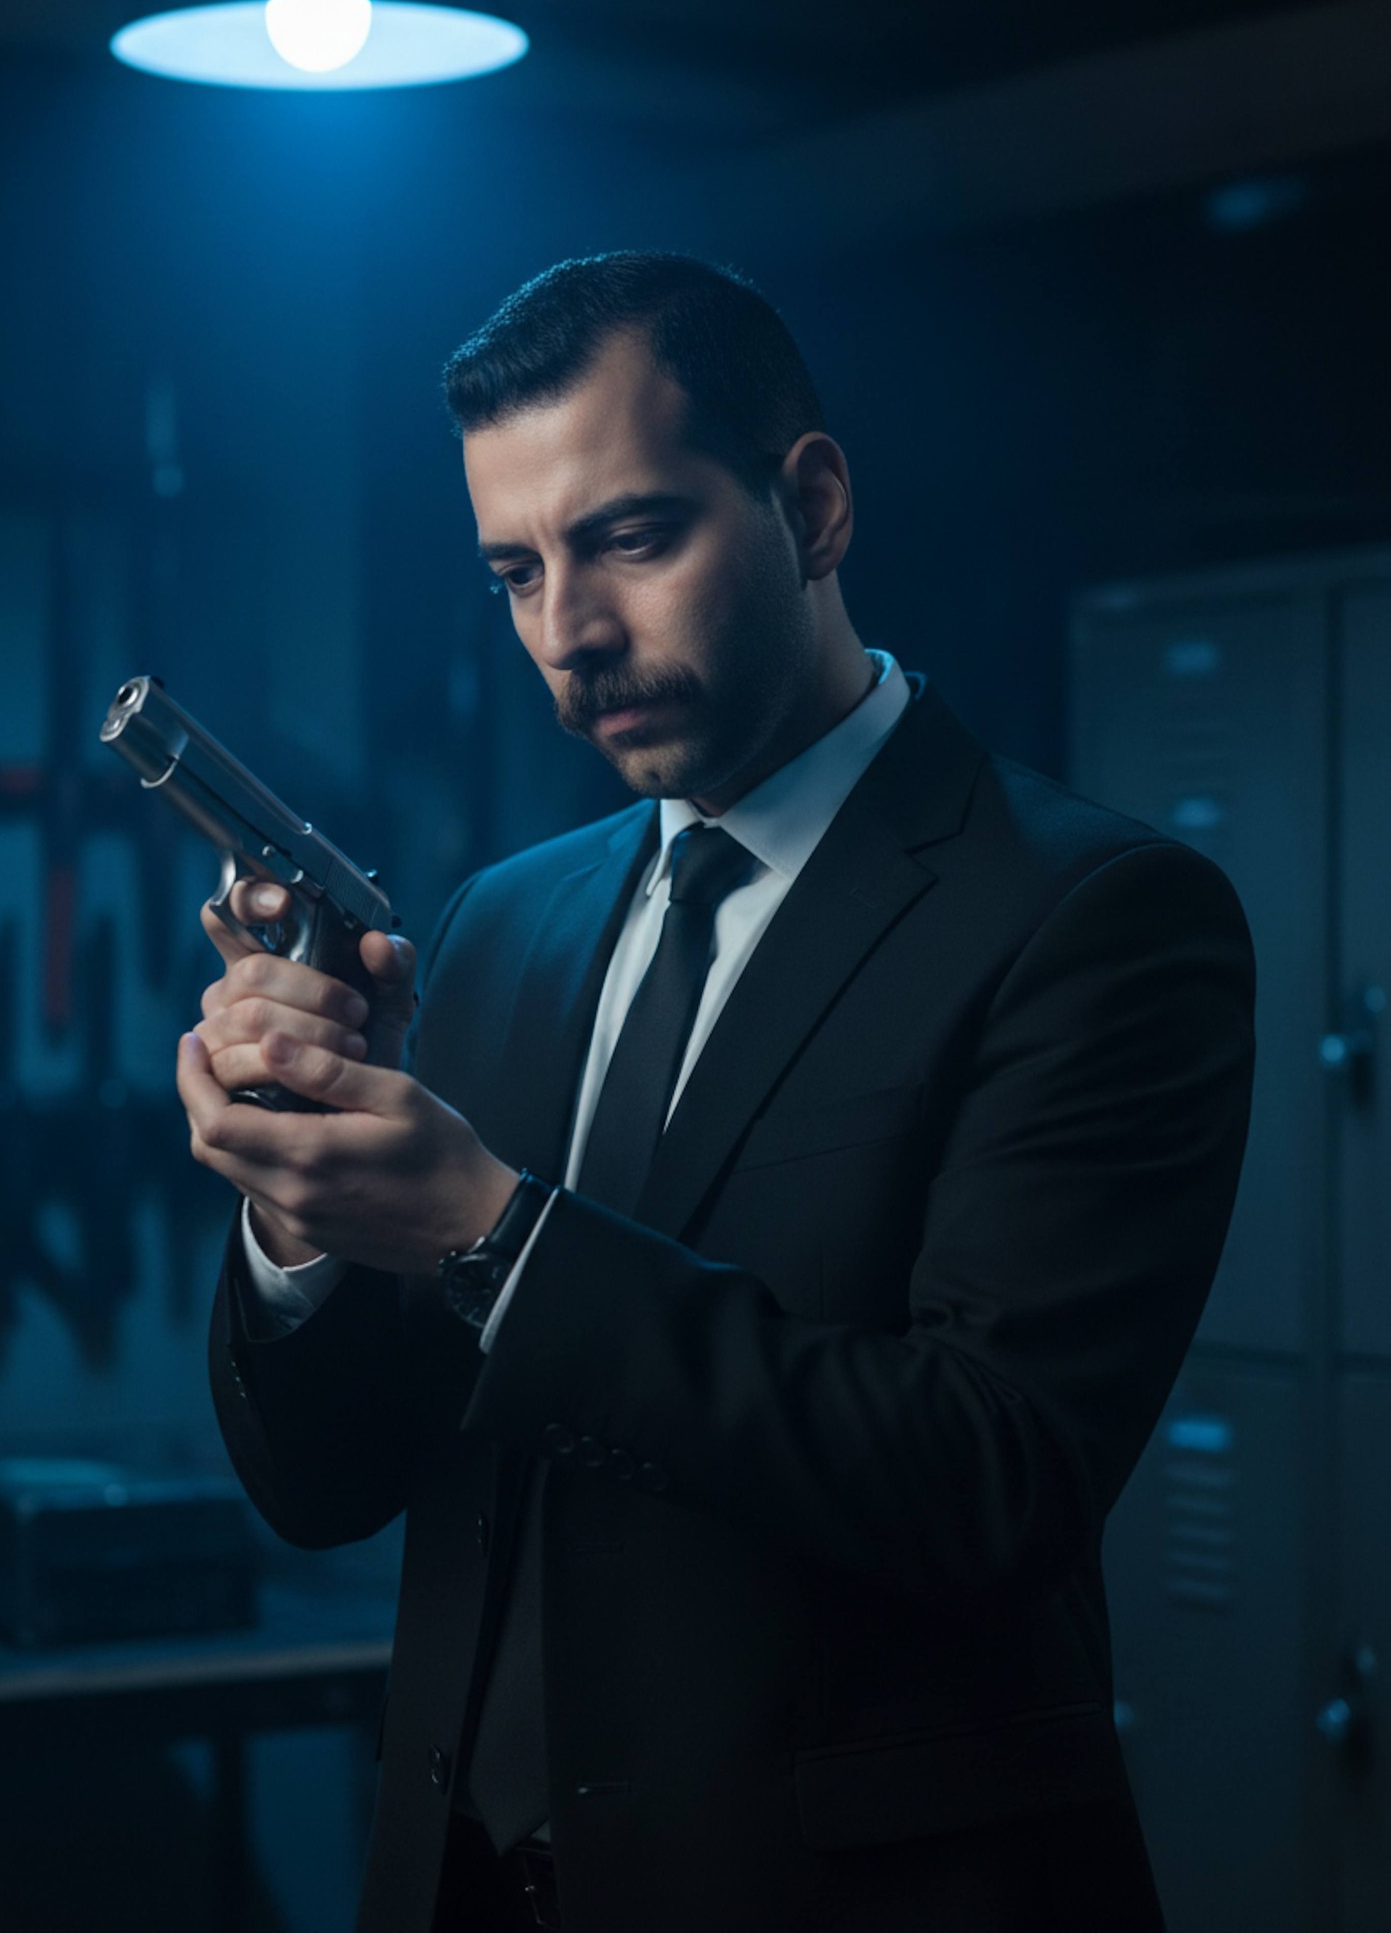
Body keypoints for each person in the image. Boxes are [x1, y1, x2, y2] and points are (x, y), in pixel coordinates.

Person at [179, 253, 1255, 1933]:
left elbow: (990, 1483)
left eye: (629, 537)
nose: (568, 634)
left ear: (811, 505)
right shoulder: (506, 922)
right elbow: (325, 1489)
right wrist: (302, 1206)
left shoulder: (1094, 920)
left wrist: (488, 1228)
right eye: (513, 572)